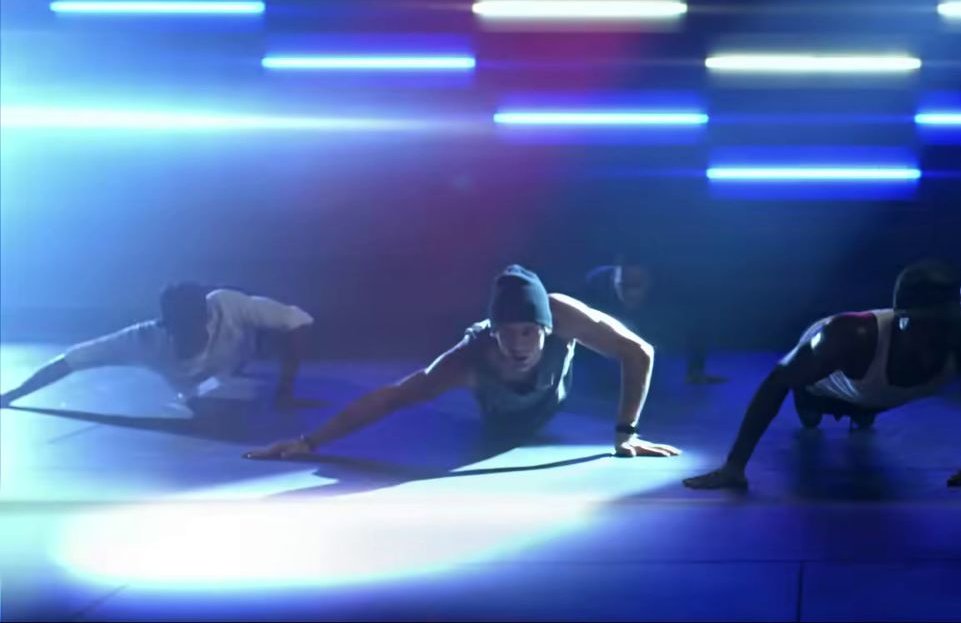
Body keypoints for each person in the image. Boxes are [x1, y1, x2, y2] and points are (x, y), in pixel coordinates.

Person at [245, 265, 679, 459]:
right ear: (492, 332)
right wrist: (307, 441)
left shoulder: (564, 316)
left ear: (548, 329)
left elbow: (639, 352)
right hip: (502, 421)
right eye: (507, 333)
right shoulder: (468, 361)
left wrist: (626, 434)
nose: (519, 344)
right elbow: (394, 396)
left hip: (552, 401)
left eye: (529, 332)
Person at [682, 260, 961, 492]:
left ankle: (863, 412)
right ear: (902, 320)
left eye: (945, 325)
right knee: (812, 419)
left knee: (866, 412)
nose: (938, 336)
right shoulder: (849, 335)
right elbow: (778, 379)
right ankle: (814, 403)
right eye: (927, 326)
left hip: (875, 396)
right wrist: (734, 467)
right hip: (825, 386)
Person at [0, 283, 312, 411]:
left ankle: (253, 348)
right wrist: (12, 396)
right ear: (166, 326)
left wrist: (285, 388)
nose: (185, 336)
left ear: (206, 320)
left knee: (269, 330)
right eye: (177, 329)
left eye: (191, 328)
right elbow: (69, 361)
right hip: (201, 387)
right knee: (202, 394)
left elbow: (298, 322)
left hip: (241, 352)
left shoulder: (228, 306)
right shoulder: (143, 339)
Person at [585, 254, 724, 385]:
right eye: (624, 285)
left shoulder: (671, 297)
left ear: (650, 281)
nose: (630, 293)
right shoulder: (598, 284)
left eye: (636, 286)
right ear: (614, 280)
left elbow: (698, 328)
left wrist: (695, 370)